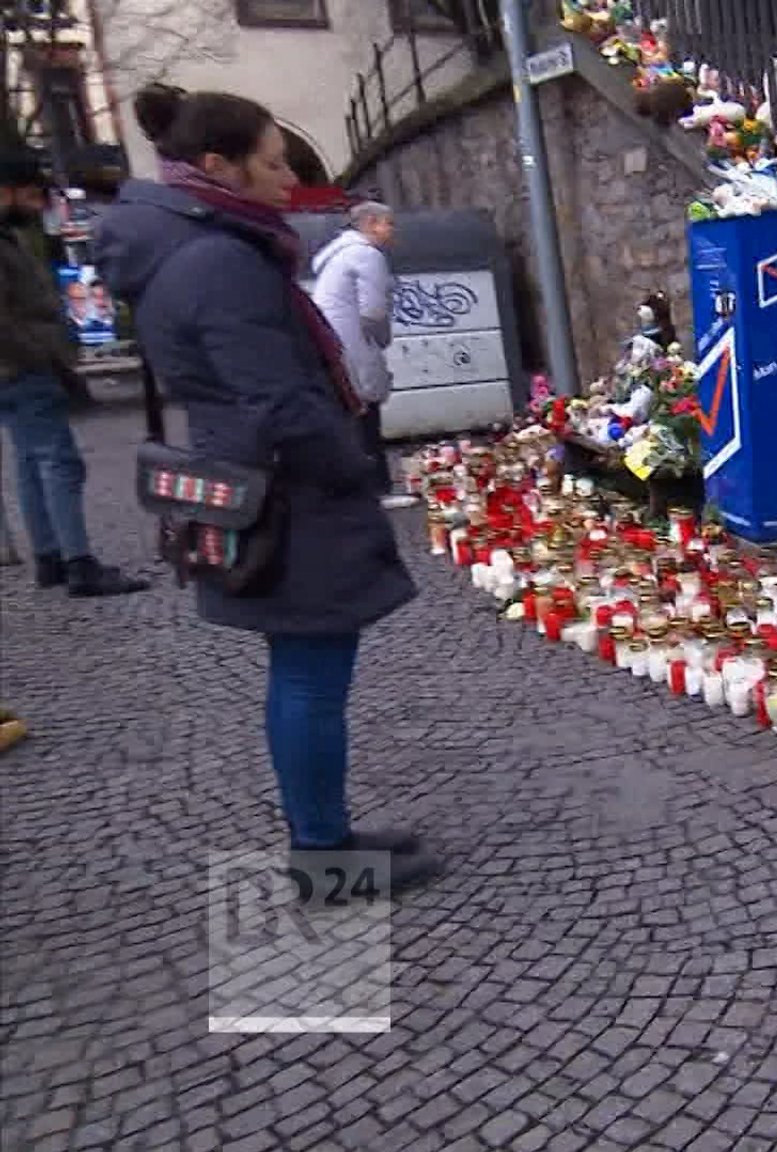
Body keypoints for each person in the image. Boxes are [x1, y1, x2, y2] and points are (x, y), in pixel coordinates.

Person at [96, 85, 439, 889]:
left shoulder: (197, 243)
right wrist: (348, 465)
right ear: (220, 165)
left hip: (263, 474)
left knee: (309, 668)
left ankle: (326, 831)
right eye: (275, 162)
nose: (291, 179)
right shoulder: (217, 258)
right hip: (285, 488)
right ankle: (320, 855)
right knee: (311, 673)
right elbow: (274, 397)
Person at [0, 148, 151, 597]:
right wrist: (46, 356)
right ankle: (78, 562)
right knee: (57, 461)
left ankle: (51, 557)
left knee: (30, 459)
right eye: (30, 195)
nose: (36, 205)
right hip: (24, 367)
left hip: (15, 368)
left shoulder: (8, 235)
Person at [311, 200, 416, 510]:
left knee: (349, 416)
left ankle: (356, 488)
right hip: (355, 344)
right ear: (371, 223)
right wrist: (382, 341)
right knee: (365, 415)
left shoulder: (339, 255)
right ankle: (376, 489)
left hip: (334, 342)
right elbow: (373, 312)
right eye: (388, 224)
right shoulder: (367, 256)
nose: (392, 231)